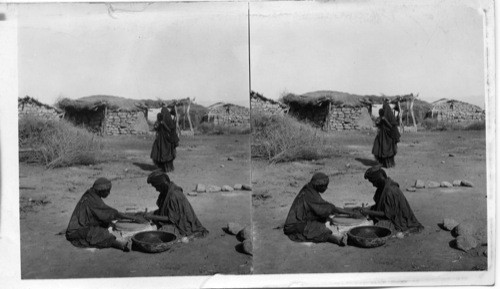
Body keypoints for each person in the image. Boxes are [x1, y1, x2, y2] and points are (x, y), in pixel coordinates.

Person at [65, 178, 145, 252]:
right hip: (77, 231)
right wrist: (133, 218)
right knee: (101, 234)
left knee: (105, 223)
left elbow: (104, 213)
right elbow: (111, 213)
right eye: (107, 191)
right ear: (101, 191)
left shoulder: (91, 193)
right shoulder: (93, 199)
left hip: (84, 224)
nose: (109, 193)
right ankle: (121, 245)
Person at [283, 172, 363, 246]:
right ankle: (336, 239)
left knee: (324, 218)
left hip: (300, 220)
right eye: (325, 186)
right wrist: (350, 213)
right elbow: (329, 208)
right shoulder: (310, 194)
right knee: (320, 229)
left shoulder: (309, 188)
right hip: (294, 226)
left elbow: (325, 206)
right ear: (319, 186)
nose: (326, 188)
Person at [359, 166, 424, 234]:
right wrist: (368, 209)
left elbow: (387, 214)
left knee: (377, 229)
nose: (373, 185)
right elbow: (381, 205)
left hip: (398, 219)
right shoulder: (383, 187)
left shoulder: (390, 191)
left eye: (373, 182)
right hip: (389, 214)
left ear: (379, 179)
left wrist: (368, 212)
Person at [146, 170, 209, 238]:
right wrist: (152, 214)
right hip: (173, 220)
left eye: (156, 187)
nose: (156, 189)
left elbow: (172, 219)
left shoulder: (174, 195)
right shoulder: (166, 191)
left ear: (162, 185)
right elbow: (166, 210)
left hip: (182, 225)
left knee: (162, 233)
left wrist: (152, 217)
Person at [372, 100, 401, 168]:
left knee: (386, 149)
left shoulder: (390, 116)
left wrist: (385, 120)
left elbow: (391, 126)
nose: (384, 109)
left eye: (384, 108)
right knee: (378, 146)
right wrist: (379, 122)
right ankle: (384, 163)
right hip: (383, 135)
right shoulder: (384, 116)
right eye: (383, 108)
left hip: (389, 136)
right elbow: (380, 124)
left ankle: (388, 163)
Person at [150, 106, 179, 172]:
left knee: (166, 154)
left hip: (167, 140)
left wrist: (164, 124)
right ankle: (162, 168)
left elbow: (170, 130)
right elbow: (156, 128)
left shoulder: (169, 121)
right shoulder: (161, 119)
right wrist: (157, 125)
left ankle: (168, 168)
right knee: (158, 151)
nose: (163, 113)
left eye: (163, 112)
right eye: (162, 112)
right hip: (161, 139)